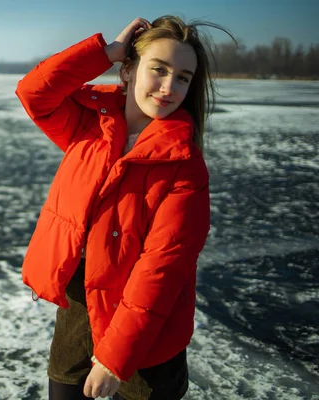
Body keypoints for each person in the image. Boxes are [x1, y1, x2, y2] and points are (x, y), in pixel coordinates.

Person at [16, 16, 233, 400]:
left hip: (147, 336)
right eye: (159, 69)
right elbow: (34, 92)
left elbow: (162, 268)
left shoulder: (184, 164)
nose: (169, 87)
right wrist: (105, 52)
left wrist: (114, 359)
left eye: (182, 77)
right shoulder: (88, 125)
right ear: (129, 69)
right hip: (80, 309)